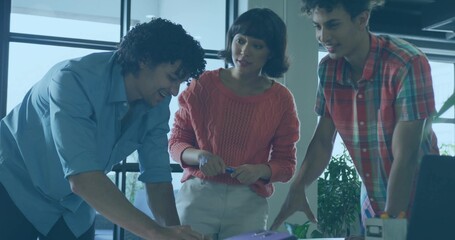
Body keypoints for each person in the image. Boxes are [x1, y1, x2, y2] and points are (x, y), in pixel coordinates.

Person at [0, 18, 207, 240]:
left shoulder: (156, 102)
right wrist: (155, 232)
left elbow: (157, 179)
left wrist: (173, 233)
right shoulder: (73, 80)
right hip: (14, 189)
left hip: (73, 208)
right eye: (171, 78)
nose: (175, 91)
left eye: (180, 82)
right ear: (144, 60)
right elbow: (83, 177)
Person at [270, 0, 439, 237]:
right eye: (317, 26)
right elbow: (323, 140)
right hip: (372, 199)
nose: (323, 36)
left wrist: (387, 225)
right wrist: (298, 187)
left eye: (333, 25)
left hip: (421, 200)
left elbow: (406, 155)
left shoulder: (407, 63)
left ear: (362, 19)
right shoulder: (328, 69)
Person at [168, 8, 300, 240]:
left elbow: (286, 164)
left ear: (271, 53)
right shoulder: (202, 85)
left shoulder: (281, 99)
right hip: (198, 196)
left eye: (256, 46)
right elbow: (176, 143)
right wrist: (200, 156)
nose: (244, 51)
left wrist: (260, 170)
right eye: (240, 41)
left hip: (249, 202)